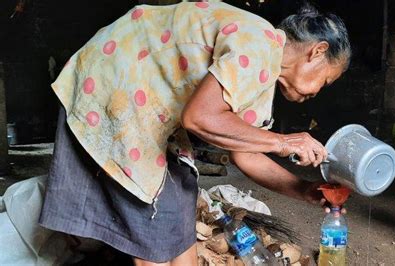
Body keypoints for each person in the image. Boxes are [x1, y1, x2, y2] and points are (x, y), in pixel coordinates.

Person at [39, 1, 351, 265]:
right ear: (316, 51)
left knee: (180, 199)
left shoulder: (261, 77)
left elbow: (244, 153)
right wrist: (283, 142)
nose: (318, 92)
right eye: (325, 81)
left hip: (149, 104)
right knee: (152, 217)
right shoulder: (261, 44)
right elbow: (198, 117)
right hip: (115, 82)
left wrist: (303, 189)